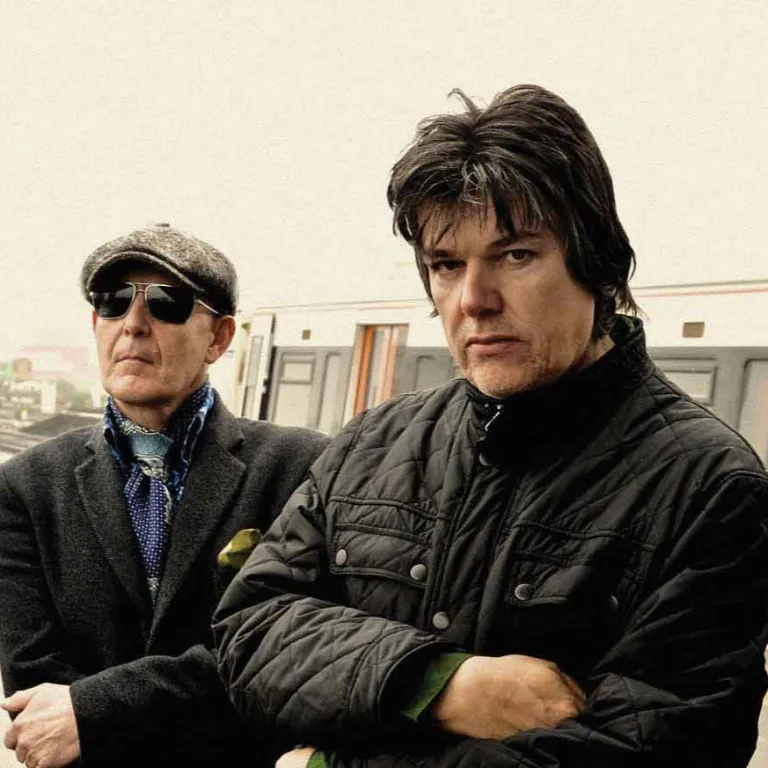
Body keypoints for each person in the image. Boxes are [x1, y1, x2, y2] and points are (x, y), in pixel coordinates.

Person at [214, 86, 768, 768]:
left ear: (595, 264)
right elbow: (249, 631)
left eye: (515, 255)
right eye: (446, 265)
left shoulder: (709, 486)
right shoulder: (371, 442)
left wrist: (332, 764)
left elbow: (660, 746)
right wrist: (434, 682)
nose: (473, 300)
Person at [0, 223, 328, 768]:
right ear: (96, 324)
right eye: (113, 302)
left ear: (219, 338)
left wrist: (95, 711)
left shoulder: (300, 466)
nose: (133, 323)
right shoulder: (26, 487)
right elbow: (34, 697)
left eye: (167, 303)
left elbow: (291, 658)